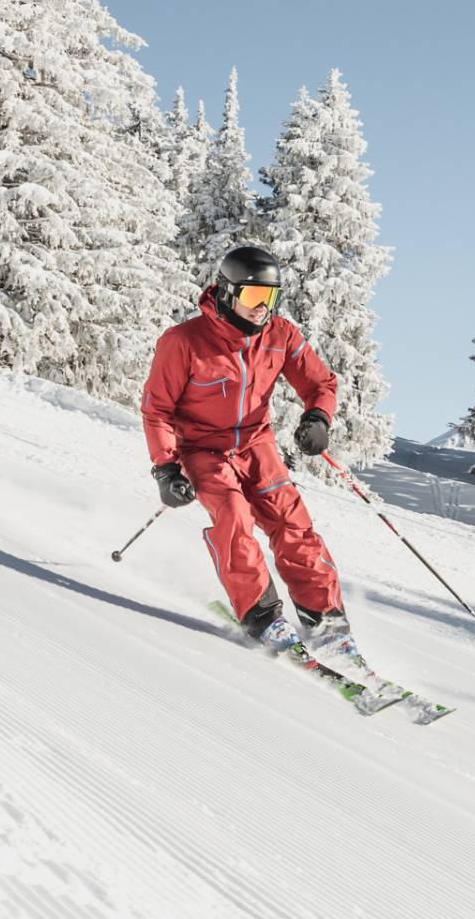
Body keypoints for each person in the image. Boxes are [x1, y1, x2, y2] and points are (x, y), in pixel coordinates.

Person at [140, 245, 350, 656]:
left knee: (293, 524)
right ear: (226, 292)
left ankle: (324, 616)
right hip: (202, 449)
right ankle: (262, 615)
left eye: (269, 299)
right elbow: (157, 410)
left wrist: (318, 418)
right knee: (234, 517)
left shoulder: (280, 335)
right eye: (254, 298)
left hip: (256, 443)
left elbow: (320, 383)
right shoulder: (183, 342)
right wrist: (166, 469)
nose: (261, 309)